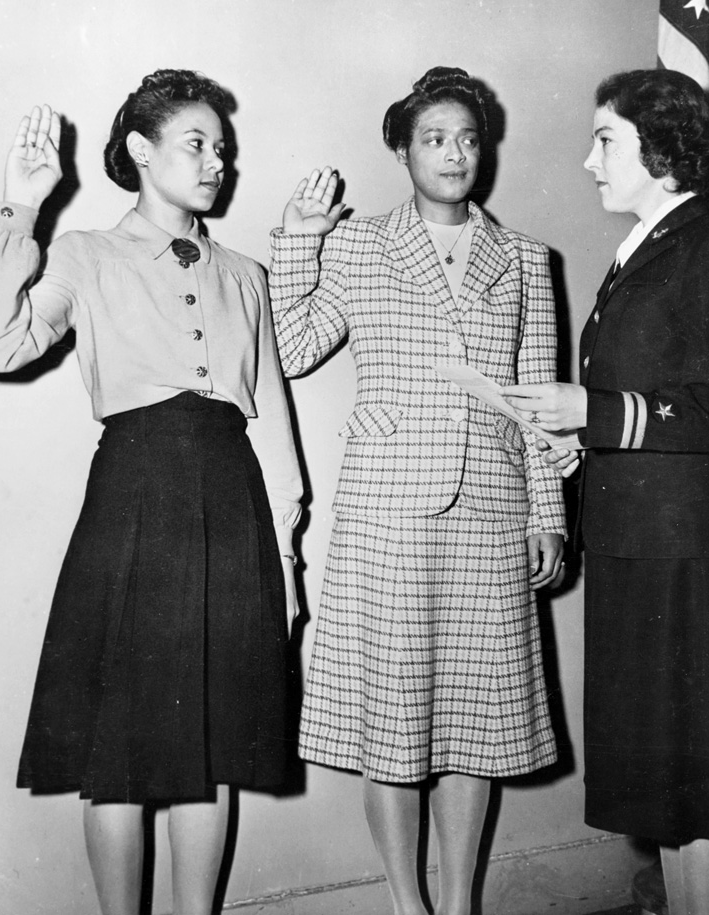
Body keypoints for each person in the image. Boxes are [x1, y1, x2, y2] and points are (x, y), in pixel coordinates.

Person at [0, 70, 302, 915]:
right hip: (133, 497)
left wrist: (285, 553)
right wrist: (20, 208)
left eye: (221, 148)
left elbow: (269, 420)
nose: (216, 162)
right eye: (196, 144)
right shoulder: (85, 254)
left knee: (212, 739)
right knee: (120, 746)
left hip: (232, 502)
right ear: (140, 150)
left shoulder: (246, 272)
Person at [269, 66, 565, 915]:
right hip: (388, 512)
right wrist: (299, 238)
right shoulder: (360, 245)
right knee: (392, 723)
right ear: (402, 149)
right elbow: (291, 348)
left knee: (478, 721)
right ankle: (408, 905)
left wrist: (549, 511)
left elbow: (538, 390)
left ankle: (459, 903)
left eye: (469, 138)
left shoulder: (525, 259)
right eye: (434, 138)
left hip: (492, 510)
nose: (455, 153)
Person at [502, 68, 709, 915]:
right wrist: (581, 443)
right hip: (638, 545)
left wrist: (596, 410)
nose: (589, 162)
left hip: (682, 556)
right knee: (668, 785)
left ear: (661, 153)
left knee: (690, 782)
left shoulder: (700, 242)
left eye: (607, 141)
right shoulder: (654, 244)